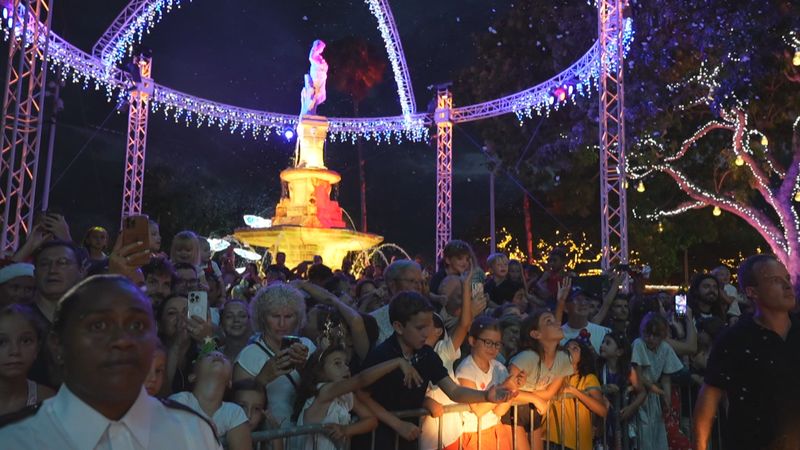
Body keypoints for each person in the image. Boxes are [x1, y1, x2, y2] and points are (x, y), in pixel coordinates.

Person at [0, 275, 221, 449]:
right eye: (99, 326)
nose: (122, 340)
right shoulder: (15, 440)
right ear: (58, 345)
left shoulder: (193, 432)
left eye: (137, 326)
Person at [354, 291, 515, 450]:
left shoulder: (426, 355)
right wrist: (397, 423)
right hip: (376, 439)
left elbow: (454, 391)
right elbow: (361, 394)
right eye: (420, 328)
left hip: (408, 436)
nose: (427, 333)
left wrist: (485, 396)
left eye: (429, 326)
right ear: (398, 327)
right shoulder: (382, 354)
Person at [694, 254, 800, 450]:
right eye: (775, 280)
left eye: (787, 278)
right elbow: (709, 396)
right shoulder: (735, 340)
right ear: (752, 291)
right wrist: (700, 445)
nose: (787, 286)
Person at [296, 344, 422, 450]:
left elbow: (371, 420)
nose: (346, 368)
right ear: (319, 371)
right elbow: (361, 379)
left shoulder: (345, 396)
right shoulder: (323, 390)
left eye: (346, 363)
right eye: (337, 363)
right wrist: (397, 362)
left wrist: (346, 430)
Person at [233, 283, 313, 427]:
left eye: (288, 316)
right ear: (262, 317)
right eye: (275, 316)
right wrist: (264, 377)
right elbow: (238, 407)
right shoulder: (248, 356)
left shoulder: (308, 346)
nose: (282, 323)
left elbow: (322, 391)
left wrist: (305, 368)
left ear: (298, 317)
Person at [455, 316, 529, 450]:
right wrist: (504, 388)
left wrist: (512, 388)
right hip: (474, 434)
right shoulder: (466, 369)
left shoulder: (499, 367)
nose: (493, 348)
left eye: (497, 344)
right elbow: (478, 410)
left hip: (496, 429)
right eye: (488, 342)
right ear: (472, 340)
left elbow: (500, 411)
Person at [508, 310, 574, 450]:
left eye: (555, 320)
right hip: (513, 410)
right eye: (548, 321)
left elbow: (550, 393)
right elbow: (505, 389)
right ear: (536, 334)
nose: (557, 323)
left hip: (533, 409)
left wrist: (528, 397)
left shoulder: (563, 358)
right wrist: (535, 398)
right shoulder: (527, 357)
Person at [28, 240, 88, 388]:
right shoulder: (17, 320)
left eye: (62, 262)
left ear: (81, 272)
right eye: (44, 264)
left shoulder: (92, 321)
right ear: (35, 273)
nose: (52, 270)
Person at [169, 351, 252, 450]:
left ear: (230, 382)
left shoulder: (234, 412)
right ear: (192, 376)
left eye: (224, 357)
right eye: (208, 355)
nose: (218, 355)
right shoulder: (180, 400)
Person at [631, 312, 683, 450]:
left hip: (654, 400)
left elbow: (666, 378)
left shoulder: (665, 348)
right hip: (639, 395)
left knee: (658, 437)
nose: (650, 338)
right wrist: (657, 390)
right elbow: (638, 375)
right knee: (643, 437)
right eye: (647, 334)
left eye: (655, 335)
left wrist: (667, 399)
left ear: (662, 336)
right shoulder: (638, 344)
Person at [547, 338, 608, 450]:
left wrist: (575, 392)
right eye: (567, 348)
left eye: (575, 348)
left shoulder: (588, 378)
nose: (569, 350)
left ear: (583, 356)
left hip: (575, 442)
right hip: (550, 437)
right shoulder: (554, 375)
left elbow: (602, 411)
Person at [0, 304, 55, 416]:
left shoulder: (48, 401)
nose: (15, 351)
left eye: (26, 341)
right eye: (1, 342)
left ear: (37, 349)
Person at [157, 295, 213, 395]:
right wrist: (176, 345)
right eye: (172, 313)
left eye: (186, 311)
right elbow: (162, 393)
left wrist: (207, 339)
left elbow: (216, 377)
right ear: (160, 325)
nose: (181, 317)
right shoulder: (153, 355)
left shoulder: (199, 351)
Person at [229, 379, 284, 449]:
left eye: (256, 409)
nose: (248, 415)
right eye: (242, 406)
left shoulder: (261, 443)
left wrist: (276, 434)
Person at [561, 287, 612, 354]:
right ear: (565, 307)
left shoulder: (604, 333)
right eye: (577, 299)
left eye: (587, 299)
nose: (583, 303)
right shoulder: (555, 336)